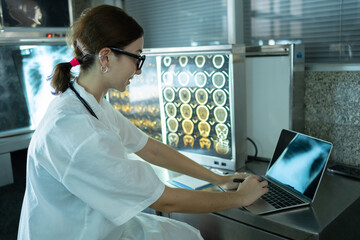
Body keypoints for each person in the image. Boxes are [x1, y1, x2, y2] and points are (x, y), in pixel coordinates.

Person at [17, 4, 268, 240]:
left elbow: (151, 148)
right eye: (136, 57)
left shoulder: (88, 102)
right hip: (75, 232)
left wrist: (218, 178)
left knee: (188, 235)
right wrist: (240, 199)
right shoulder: (79, 132)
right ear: (105, 57)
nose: (138, 70)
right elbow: (163, 201)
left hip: (95, 223)